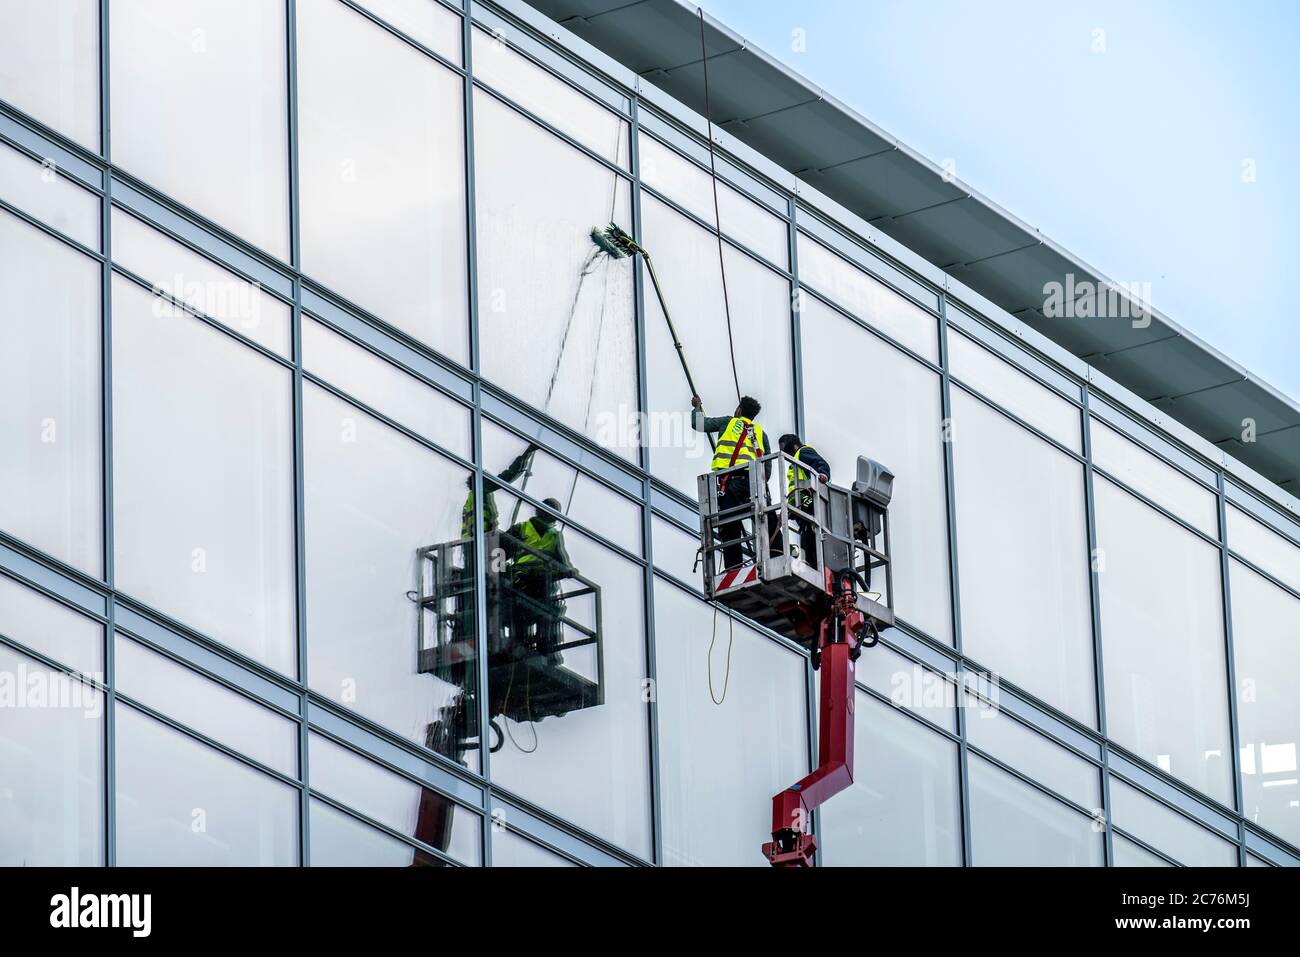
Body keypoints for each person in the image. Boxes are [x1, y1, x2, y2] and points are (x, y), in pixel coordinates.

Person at [691, 394, 773, 568]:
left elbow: (699, 424)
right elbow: (767, 466)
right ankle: (776, 553)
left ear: (739, 410)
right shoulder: (760, 433)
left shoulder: (728, 422)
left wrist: (697, 407)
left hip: (732, 482)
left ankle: (733, 567)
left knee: (730, 522)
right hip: (755, 483)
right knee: (765, 517)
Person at [503, 498, 577, 657]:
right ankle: (523, 640)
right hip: (522, 578)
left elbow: (562, 560)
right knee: (527, 607)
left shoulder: (554, 536)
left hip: (541, 581)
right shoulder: (521, 529)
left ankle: (544, 641)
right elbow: (500, 550)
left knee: (549, 608)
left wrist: (568, 570)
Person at [778, 433, 831, 563]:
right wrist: (789, 510)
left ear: (794, 444)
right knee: (806, 535)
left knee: (810, 535)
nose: (783, 452)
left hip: (809, 505)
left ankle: (812, 563)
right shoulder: (794, 463)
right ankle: (810, 562)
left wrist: (823, 474)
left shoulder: (803, 452)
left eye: (784, 448)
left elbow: (820, 463)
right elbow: (795, 491)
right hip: (803, 507)